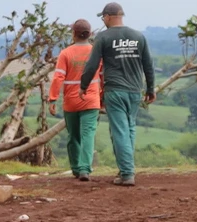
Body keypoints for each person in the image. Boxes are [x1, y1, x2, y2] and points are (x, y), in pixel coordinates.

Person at [80, 2, 154, 187]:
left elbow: (92, 65)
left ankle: (128, 174)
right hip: (135, 91)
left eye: (103, 17)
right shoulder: (138, 36)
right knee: (129, 129)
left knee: (120, 130)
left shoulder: (103, 37)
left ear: (108, 16)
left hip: (115, 91)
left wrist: (83, 86)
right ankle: (124, 169)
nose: (103, 20)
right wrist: (151, 89)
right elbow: (148, 65)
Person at [49, 19, 102, 181]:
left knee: (73, 136)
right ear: (90, 34)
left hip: (71, 102)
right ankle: (85, 168)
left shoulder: (65, 53)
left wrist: (52, 99)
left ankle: (76, 168)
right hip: (91, 100)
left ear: (73, 34)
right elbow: (102, 75)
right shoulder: (95, 52)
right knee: (88, 135)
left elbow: (58, 77)